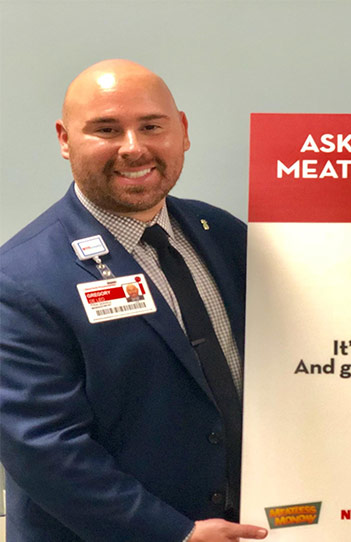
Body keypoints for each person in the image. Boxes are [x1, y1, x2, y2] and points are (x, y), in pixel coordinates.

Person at [0, 60, 268, 542]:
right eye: (106, 129)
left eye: (151, 126)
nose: (133, 147)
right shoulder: (18, 279)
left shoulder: (222, 234)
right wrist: (175, 534)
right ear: (65, 139)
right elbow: (43, 450)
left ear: (182, 131)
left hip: (245, 527)